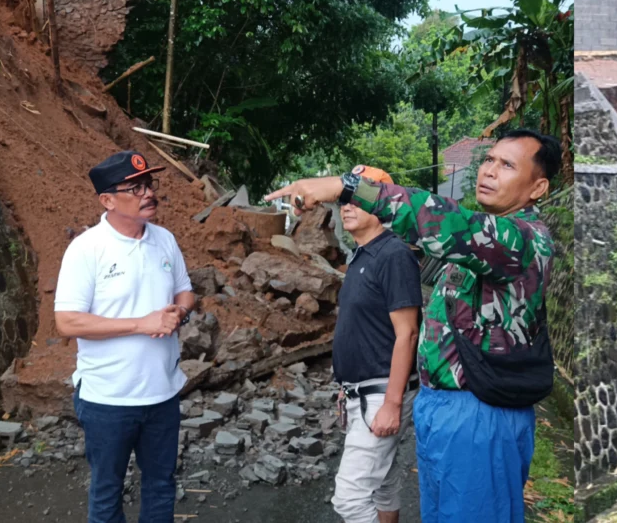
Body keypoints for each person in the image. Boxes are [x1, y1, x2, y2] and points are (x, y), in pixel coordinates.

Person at [266, 128, 560, 523]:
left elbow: (438, 219)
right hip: (443, 410)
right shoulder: (480, 247)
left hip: (480, 414)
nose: (489, 171)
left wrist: (344, 187)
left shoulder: (520, 239)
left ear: (538, 187)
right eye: (488, 159)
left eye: (507, 165)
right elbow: (431, 238)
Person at [55, 151, 195, 523]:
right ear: (108, 200)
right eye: (135, 187)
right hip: (108, 399)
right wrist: (141, 324)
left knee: (161, 486)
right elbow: (67, 323)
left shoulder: (165, 240)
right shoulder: (87, 250)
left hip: (163, 394)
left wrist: (178, 312)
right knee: (106, 493)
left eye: (149, 184)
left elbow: (185, 291)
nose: (148, 193)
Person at [330, 167, 423, 523]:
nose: (347, 206)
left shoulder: (393, 255)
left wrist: (392, 404)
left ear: (383, 203)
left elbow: (408, 333)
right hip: (361, 391)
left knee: (350, 499)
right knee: (383, 481)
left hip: (380, 393)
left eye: (358, 198)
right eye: (343, 199)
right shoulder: (362, 255)